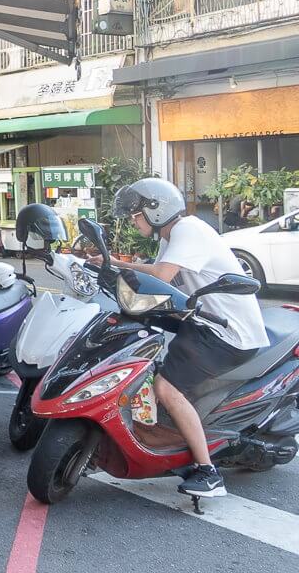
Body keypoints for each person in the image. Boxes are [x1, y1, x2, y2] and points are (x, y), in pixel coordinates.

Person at [93, 178, 268, 497]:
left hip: (226, 331)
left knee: (166, 386)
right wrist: (111, 265)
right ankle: (160, 432)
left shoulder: (189, 230)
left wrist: (118, 265)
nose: (134, 221)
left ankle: (208, 472)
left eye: (136, 214)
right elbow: (163, 275)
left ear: (156, 211)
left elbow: (161, 275)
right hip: (202, 322)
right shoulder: (170, 237)